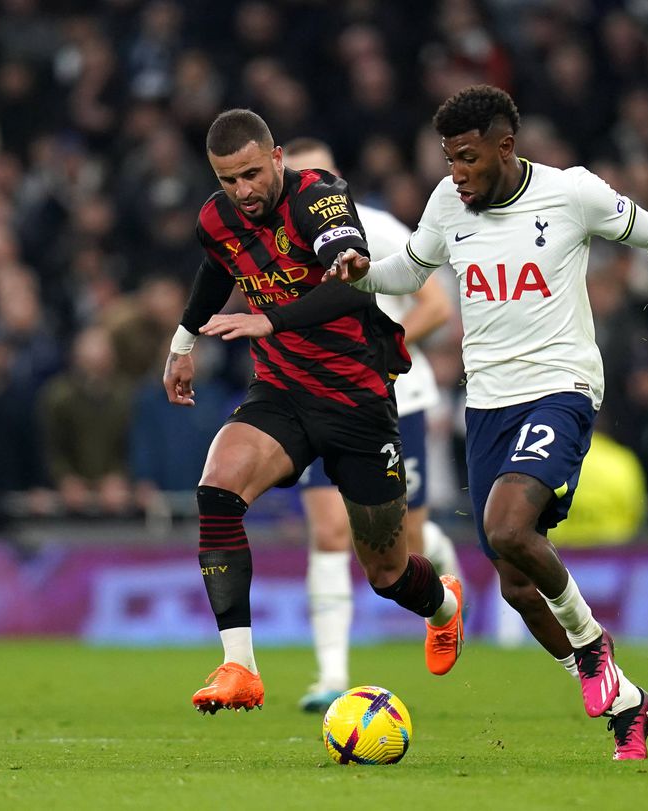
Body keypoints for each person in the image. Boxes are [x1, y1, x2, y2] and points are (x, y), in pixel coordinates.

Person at [330, 85, 648, 760]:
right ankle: (627, 702)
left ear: (506, 147)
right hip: (486, 403)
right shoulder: (448, 204)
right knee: (513, 579)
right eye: (450, 159)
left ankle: (595, 648)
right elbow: (410, 268)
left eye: (469, 158)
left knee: (510, 526)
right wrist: (360, 275)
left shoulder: (572, 194)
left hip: (560, 388)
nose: (457, 174)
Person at [161, 110, 463, 715]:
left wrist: (269, 317)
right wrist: (183, 344)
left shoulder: (320, 199)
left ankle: (445, 606)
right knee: (217, 490)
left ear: (277, 159)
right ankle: (239, 667)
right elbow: (215, 267)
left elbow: (350, 281)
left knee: (387, 570)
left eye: (251, 174)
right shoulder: (217, 220)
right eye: (228, 180)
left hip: (358, 403)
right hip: (282, 395)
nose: (242, 192)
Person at [281, 137, 463, 713]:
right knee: (330, 533)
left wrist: (381, 352)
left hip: (393, 399)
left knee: (394, 541)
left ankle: (443, 571)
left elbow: (435, 305)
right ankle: (330, 676)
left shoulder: (376, 228)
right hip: (315, 399)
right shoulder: (278, 242)